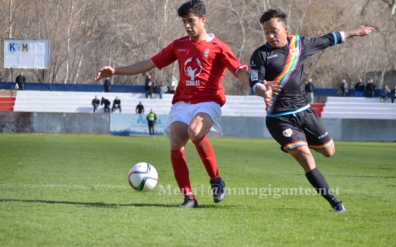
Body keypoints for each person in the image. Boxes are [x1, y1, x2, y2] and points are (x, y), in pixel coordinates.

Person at [94, 0, 265, 208]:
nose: (187, 25)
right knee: (175, 141)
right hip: (183, 101)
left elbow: (239, 72)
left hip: (209, 101)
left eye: (191, 21)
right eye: (184, 21)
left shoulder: (219, 47)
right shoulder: (179, 45)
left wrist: (257, 84)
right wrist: (116, 71)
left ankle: (216, 179)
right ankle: (189, 198)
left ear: (203, 19)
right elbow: (148, 63)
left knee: (194, 131)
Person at [249, 9, 374, 212]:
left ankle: (305, 142)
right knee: (306, 156)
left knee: (329, 152)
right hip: (279, 118)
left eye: (273, 30)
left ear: (285, 28)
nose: (270, 36)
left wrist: (354, 32)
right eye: (266, 32)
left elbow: (329, 39)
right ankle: (334, 202)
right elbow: (255, 82)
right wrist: (264, 90)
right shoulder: (260, 54)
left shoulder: (300, 44)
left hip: (305, 113)